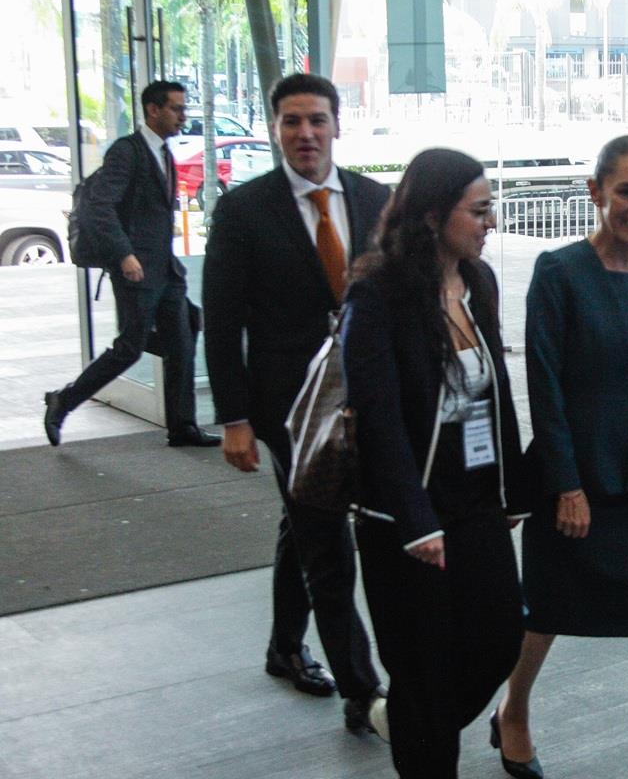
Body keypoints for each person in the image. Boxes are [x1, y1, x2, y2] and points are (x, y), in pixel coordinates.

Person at [494, 135, 628, 779]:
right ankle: (514, 711)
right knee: (549, 608)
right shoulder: (559, 271)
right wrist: (565, 483)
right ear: (596, 193)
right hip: (577, 469)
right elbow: (547, 384)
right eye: (626, 191)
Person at [202, 73, 385, 729]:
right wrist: (235, 420)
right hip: (285, 412)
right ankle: (364, 690)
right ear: (276, 128)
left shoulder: (374, 199)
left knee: (304, 523)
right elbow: (221, 324)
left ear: (338, 124)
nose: (305, 133)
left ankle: (284, 646)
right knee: (327, 540)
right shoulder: (244, 210)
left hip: (361, 402)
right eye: (291, 121)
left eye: (316, 120)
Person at [341, 148, 526, 777]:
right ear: (431, 216)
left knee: (499, 639)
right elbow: (379, 417)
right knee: (422, 668)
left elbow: (493, 391)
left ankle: (412, 724)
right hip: (405, 518)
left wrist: (514, 488)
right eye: (478, 211)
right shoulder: (379, 293)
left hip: (474, 500)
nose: (490, 222)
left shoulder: (478, 284)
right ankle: (419, 738)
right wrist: (415, 519)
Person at [43, 81, 219, 449]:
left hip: (165, 270)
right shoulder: (128, 152)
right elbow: (98, 207)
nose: (183, 116)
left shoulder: (164, 153)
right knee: (130, 348)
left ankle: (183, 426)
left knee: (184, 337)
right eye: (176, 109)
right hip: (137, 270)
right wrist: (124, 255)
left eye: (184, 108)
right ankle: (64, 400)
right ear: (153, 110)